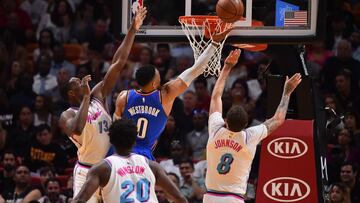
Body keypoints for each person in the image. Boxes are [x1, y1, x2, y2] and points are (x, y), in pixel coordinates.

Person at [59, 7, 147, 203]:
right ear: (72, 93)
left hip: (110, 166)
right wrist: (85, 98)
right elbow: (78, 129)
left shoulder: (98, 94)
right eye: (77, 82)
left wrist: (133, 29)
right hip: (87, 171)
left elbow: (119, 61)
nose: (82, 81)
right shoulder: (67, 115)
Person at [114, 27, 232, 160]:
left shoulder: (124, 96)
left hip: (121, 154)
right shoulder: (164, 95)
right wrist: (214, 43)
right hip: (144, 156)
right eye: (158, 77)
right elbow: (195, 70)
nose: (161, 77)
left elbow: (115, 129)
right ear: (154, 84)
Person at [203, 49, 302, 203]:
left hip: (210, 196)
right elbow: (278, 119)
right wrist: (287, 92)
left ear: (225, 121)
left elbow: (216, 96)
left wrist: (227, 67)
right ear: (246, 125)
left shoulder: (215, 128)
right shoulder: (250, 135)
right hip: (233, 198)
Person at [71, 119, 188, 203]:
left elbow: (80, 200)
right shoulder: (152, 166)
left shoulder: (102, 169)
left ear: (110, 140)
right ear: (134, 141)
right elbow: (180, 198)